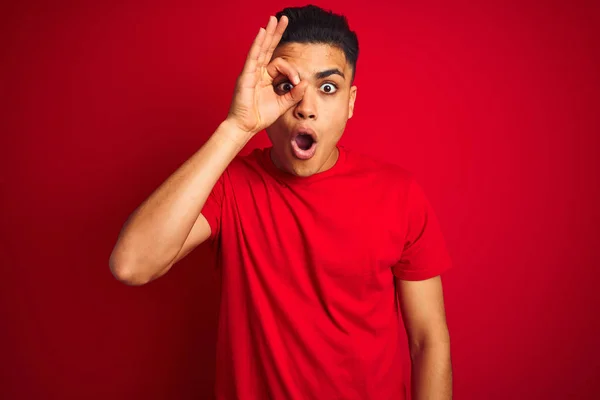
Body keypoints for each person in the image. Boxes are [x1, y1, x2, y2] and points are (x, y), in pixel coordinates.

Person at [109, 5, 453, 400]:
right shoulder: (229, 186)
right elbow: (132, 264)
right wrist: (235, 127)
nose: (306, 107)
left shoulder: (399, 194)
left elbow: (428, 341)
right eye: (288, 86)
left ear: (351, 103)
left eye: (327, 88)